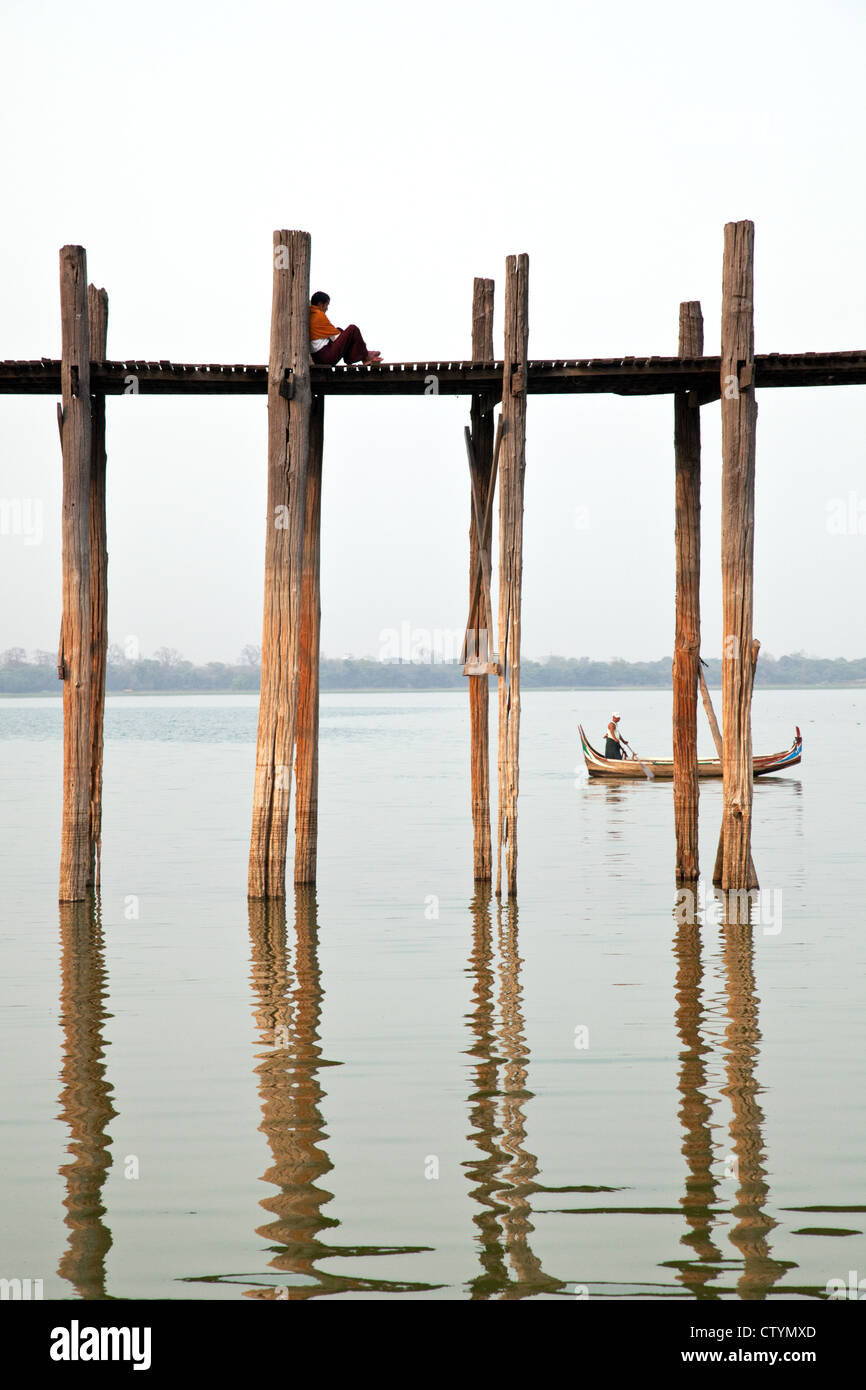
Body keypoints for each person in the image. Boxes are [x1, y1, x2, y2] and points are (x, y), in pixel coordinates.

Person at [309, 291, 381, 366]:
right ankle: (366, 356)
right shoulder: (318, 315)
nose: (327, 308)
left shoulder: (311, 313)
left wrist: (359, 345)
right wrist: (360, 345)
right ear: (320, 304)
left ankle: (361, 355)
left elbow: (336, 335)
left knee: (339, 330)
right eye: (326, 305)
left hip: (318, 359)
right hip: (326, 357)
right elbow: (337, 336)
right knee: (352, 329)